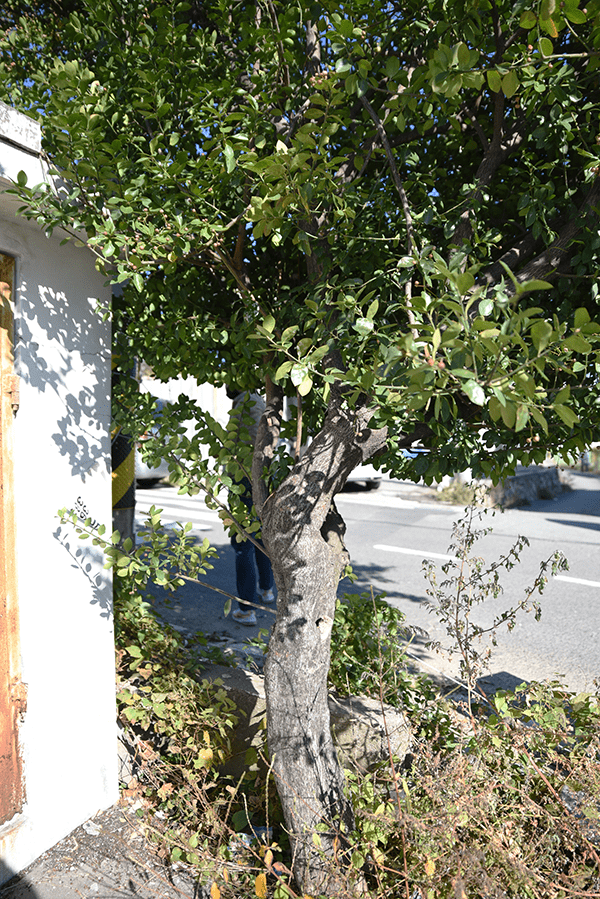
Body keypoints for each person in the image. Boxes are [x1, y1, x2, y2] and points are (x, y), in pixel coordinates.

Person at [226, 387, 275, 625]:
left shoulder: (243, 401)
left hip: (242, 477)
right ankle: (266, 590)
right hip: (261, 476)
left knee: (242, 542)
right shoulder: (259, 400)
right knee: (260, 537)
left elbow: (233, 443)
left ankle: (246, 609)